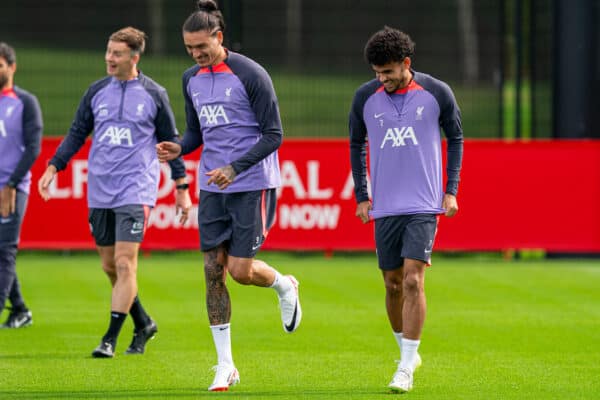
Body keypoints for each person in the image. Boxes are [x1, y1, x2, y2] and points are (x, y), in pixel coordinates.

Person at [156, 0, 301, 392]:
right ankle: (225, 365)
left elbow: (274, 135)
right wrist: (178, 148)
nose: (197, 55)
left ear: (219, 37)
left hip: (251, 184)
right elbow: (196, 134)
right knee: (211, 270)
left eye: (202, 47)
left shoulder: (251, 74)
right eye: (190, 49)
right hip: (211, 186)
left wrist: (235, 168)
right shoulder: (191, 78)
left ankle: (284, 285)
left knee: (240, 271)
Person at [37, 27, 192, 358]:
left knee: (125, 263)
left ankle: (109, 337)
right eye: (108, 51)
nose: (110, 57)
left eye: (117, 53)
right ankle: (144, 323)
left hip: (136, 188)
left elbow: (171, 144)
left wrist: (181, 187)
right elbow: (78, 132)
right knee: (110, 266)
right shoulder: (96, 92)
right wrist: (53, 167)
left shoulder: (153, 94)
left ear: (134, 58)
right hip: (100, 190)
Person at [349, 26, 464, 393]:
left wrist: (450, 191)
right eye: (377, 73)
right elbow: (356, 144)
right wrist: (362, 196)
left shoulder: (437, 92)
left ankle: (404, 368)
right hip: (385, 206)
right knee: (392, 283)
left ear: (406, 64)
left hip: (424, 204)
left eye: (389, 72)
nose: (383, 79)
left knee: (414, 279)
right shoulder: (365, 98)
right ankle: (405, 352)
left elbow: (456, 137)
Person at [0, 42, 42, 329]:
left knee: (4, 250)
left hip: (12, 188)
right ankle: (20, 309)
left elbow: (33, 148)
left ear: (12, 67)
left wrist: (12, 183)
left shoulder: (25, 101)